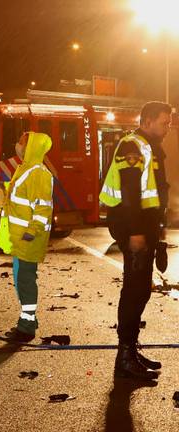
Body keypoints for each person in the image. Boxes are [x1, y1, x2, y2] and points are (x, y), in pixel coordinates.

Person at [100, 101, 172, 380]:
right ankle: (125, 355)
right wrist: (135, 233)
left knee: (141, 289)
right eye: (164, 122)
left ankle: (131, 348)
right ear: (148, 121)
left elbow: (155, 194)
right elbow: (130, 193)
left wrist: (159, 235)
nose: (168, 127)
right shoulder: (133, 146)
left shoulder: (149, 146)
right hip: (134, 226)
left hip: (146, 226)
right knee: (133, 289)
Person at [0, 131, 54, 343]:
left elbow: (42, 207)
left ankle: (27, 326)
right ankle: (27, 321)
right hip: (20, 238)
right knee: (22, 280)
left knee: (26, 281)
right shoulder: (25, 169)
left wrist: (32, 231)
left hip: (29, 238)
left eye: (21, 142)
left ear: (31, 147)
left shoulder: (38, 173)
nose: (17, 145)